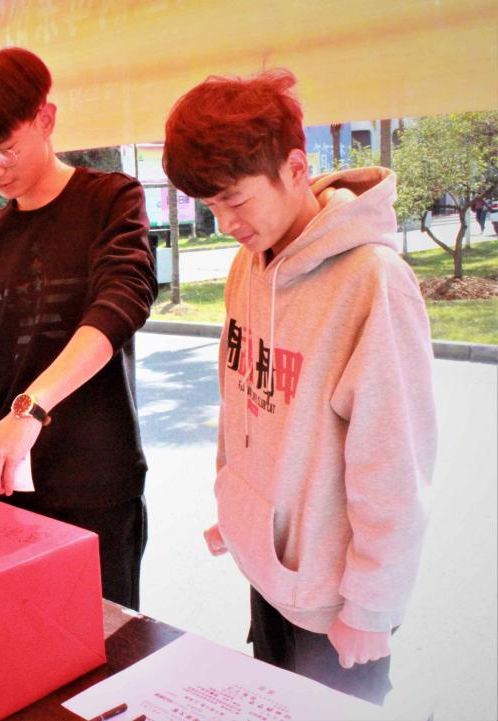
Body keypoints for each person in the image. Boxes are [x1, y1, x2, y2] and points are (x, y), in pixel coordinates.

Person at [163, 69, 437, 704]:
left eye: (234, 200)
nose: (224, 222)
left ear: (294, 166)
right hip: (270, 572)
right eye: (210, 206)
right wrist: (238, 508)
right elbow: (239, 401)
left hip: (336, 601)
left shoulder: (373, 281)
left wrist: (370, 607)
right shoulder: (247, 264)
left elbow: (394, 463)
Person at [0, 47, 156, 610]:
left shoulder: (111, 200)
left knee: (103, 637)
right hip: (12, 481)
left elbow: (122, 301)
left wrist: (29, 411)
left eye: (4, 150)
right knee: (20, 631)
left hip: (98, 482)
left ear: (46, 118)